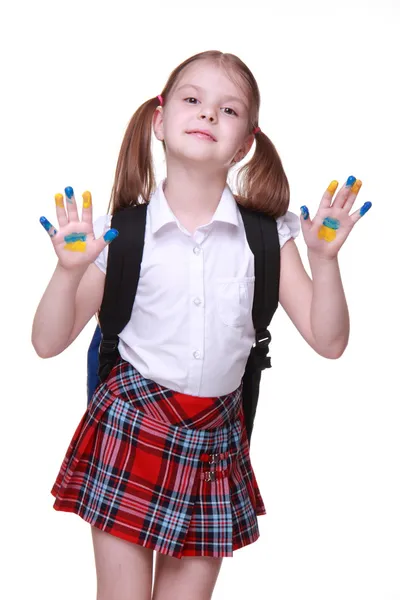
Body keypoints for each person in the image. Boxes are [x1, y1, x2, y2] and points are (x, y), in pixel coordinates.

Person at [31, 50, 372, 600]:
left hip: (216, 441)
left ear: (246, 143)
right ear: (160, 122)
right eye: (192, 100)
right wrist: (67, 271)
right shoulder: (117, 233)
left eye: (228, 109)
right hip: (130, 428)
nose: (208, 114)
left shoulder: (269, 237)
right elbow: (47, 342)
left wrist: (326, 262)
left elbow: (329, 341)